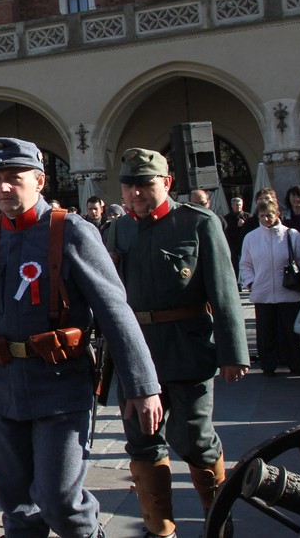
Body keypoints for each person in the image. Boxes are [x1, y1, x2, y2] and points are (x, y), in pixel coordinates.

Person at [0, 137, 161, 538]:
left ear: (39, 180)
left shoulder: (72, 232)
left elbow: (113, 309)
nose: (3, 188)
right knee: (16, 509)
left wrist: (142, 386)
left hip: (58, 386)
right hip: (1, 387)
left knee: (60, 502)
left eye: (13, 178)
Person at [109, 148, 249, 538]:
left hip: (188, 347)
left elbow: (224, 292)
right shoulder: (118, 230)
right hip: (138, 353)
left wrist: (232, 351)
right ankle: (160, 529)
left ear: (166, 184)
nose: (136, 193)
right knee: (142, 442)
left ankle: (217, 520)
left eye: (145, 184)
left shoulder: (198, 223)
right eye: (129, 185)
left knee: (193, 438)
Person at [239, 200, 300, 376]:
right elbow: (245, 264)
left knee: (291, 332)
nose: (266, 219)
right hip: (263, 292)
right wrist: (251, 283)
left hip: (288, 291)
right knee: (266, 332)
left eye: (269, 215)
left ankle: (296, 364)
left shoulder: (291, 234)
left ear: (277, 215)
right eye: (262, 216)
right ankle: (268, 365)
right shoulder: (251, 238)